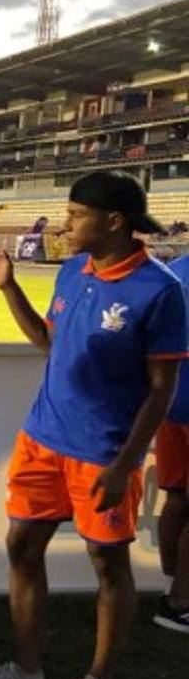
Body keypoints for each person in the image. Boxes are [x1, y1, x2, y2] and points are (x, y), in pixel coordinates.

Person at [0, 170, 187, 679]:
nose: (62, 225)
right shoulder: (70, 272)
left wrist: (125, 464)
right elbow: (47, 342)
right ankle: (26, 672)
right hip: (43, 438)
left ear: (114, 222)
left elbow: (162, 391)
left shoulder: (161, 290)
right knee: (22, 547)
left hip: (103, 454)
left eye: (74, 215)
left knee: (108, 564)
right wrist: (8, 285)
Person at [155, 253, 189, 634]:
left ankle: (170, 588)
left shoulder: (173, 270)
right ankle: (182, 601)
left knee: (177, 496)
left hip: (171, 401)